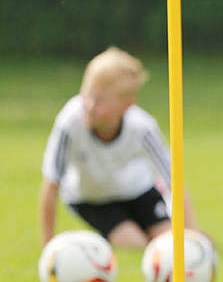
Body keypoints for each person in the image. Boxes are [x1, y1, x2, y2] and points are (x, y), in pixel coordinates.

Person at [39, 47, 199, 248]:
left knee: (167, 241)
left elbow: (173, 181)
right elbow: (51, 183)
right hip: (92, 199)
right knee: (134, 243)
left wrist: (192, 236)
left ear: (126, 105)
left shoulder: (142, 128)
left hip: (138, 191)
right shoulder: (69, 122)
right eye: (87, 94)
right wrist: (48, 246)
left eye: (99, 100)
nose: (89, 105)